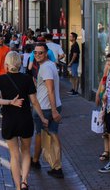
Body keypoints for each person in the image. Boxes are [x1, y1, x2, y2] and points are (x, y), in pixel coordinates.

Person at [0, 52, 47, 190]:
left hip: (9, 120)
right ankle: (24, 181)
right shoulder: (27, 79)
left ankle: (17, 186)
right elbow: (34, 101)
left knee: (14, 155)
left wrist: (9, 102)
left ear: (6, 64)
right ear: (19, 63)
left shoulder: (1, 79)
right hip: (25, 119)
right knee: (26, 151)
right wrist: (42, 117)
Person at [30, 43, 64, 178]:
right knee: (52, 134)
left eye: (41, 53)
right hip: (50, 106)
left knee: (42, 134)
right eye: (35, 52)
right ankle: (55, 165)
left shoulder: (45, 68)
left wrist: (54, 110)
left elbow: (50, 90)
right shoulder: (50, 65)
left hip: (45, 108)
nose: (37, 55)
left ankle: (49, 164)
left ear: (46, 53)